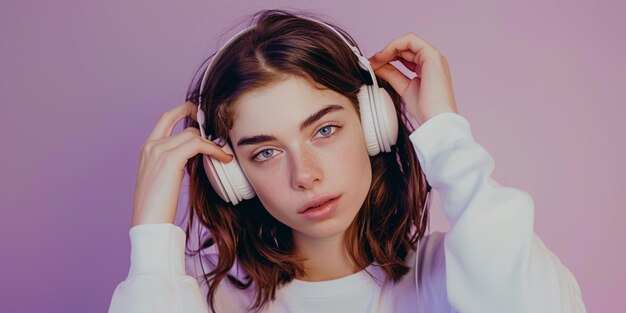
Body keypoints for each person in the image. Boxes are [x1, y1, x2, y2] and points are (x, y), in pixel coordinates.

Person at [108, 9, 587, 313]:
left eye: (325, 129)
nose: (306, 175)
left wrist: (447, 139)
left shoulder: (451, 275)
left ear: (375, 124)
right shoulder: (201, 303)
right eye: (266, 152)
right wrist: (150, 241)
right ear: (232, 175)